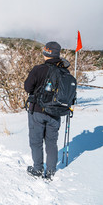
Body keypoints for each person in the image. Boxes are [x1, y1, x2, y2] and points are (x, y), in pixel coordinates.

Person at [24, 41, 70, 180]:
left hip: (37, 111)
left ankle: (38, 169)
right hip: (56, 113)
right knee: (51, 142)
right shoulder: (64, 71)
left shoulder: (38, 69)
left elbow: (27, 87)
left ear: (46, 52)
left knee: (36, 141)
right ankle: (50, 171)